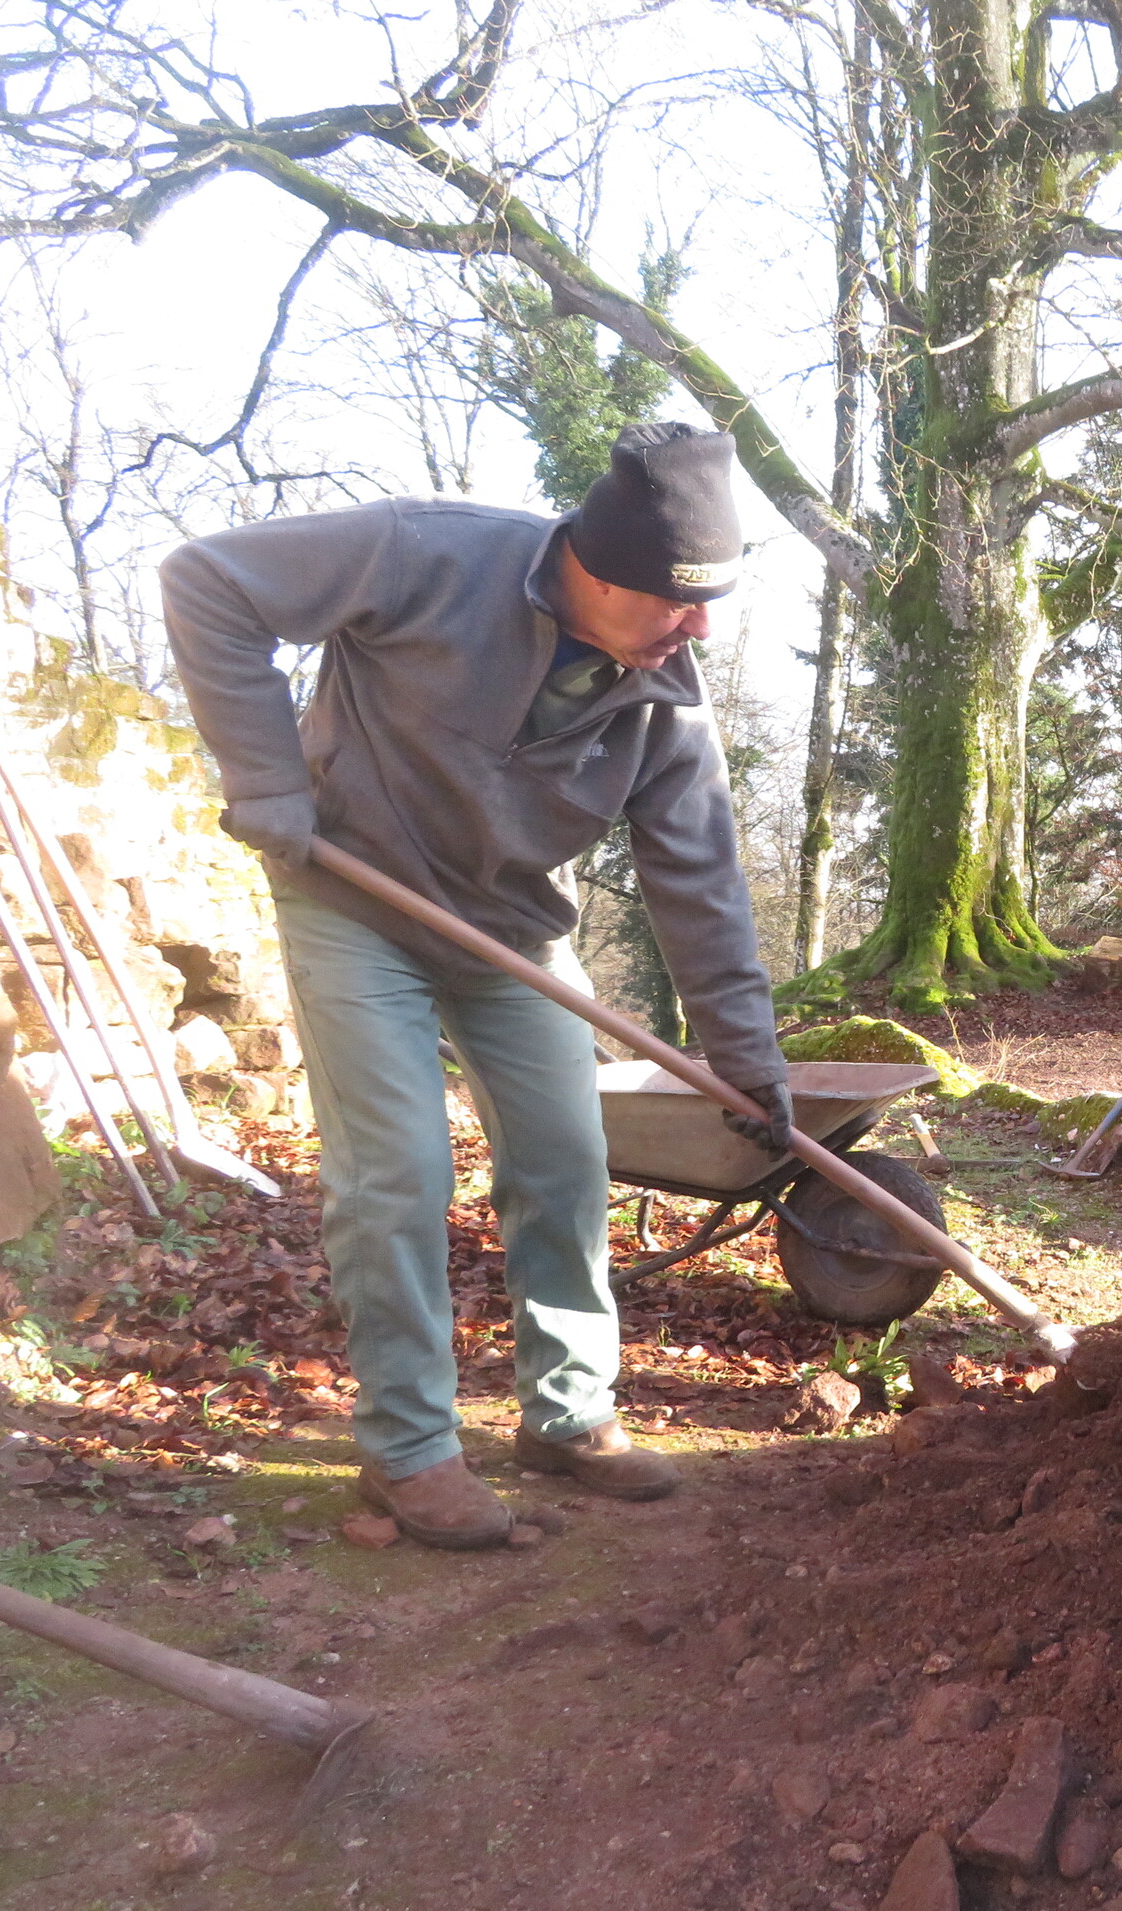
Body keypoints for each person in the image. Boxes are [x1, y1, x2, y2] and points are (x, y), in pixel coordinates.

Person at [159, 423, 792, 1550]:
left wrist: (746, 1060)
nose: (698, 628)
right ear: (601, 570)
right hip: (356, 904)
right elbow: (208, 580)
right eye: (678, 601)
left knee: (566, 1162)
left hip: (512, 934)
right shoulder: (426, 555)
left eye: (712, 602)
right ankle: (408, 1448)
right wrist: (267, 777)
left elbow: (700, 886)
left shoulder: (667, 701)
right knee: (398, 1170)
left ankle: (568, 1415)